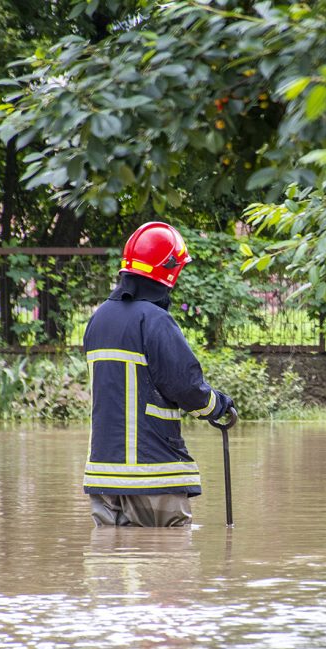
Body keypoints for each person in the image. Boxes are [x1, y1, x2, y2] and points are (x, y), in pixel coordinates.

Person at [83, 221, 234, 527]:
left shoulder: (98, 320)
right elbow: (186, 387)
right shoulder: (154, 320)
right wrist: (218, 405)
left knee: (109, 565)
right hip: (155, 475)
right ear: (169, 270)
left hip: (103, 478)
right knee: (167, 566)